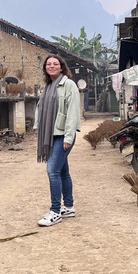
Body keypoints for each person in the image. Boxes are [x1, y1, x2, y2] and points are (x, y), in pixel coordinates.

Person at [34, 54, 81, 227]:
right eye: (48, 64)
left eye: (55, 64)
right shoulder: (48, 86)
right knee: (62, 171)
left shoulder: (68, 85)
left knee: (52, 170)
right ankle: (68, 207)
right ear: (45, 68)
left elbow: (73, 113)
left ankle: (55, 211)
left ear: (61, 67)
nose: (51, 66)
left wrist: (69, 137)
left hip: (63, 134)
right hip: (51, 134)